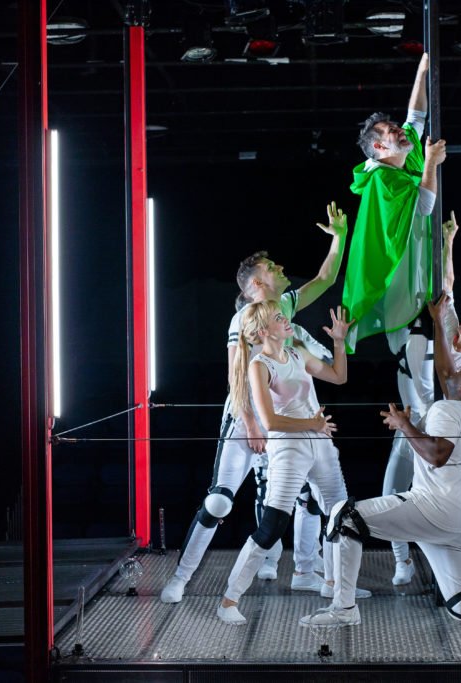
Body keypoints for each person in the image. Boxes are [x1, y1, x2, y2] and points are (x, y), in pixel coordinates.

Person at [299, 307, 461, 635]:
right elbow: (446, 369)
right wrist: (437, 322)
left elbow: (437, 454)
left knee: (344, 516)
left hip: (435, 509)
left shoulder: (447, 409)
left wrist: (406, 425)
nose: (453, 373)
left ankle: (343, 609)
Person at [161, 203, 348, 604]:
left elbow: (326, 277)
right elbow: (237, 374)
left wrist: (339, 237)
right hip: (249, 420)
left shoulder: (286, 311)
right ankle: (180, 578)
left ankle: (304, 570)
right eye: (273, 268)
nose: (281, 268)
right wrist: (250, 425)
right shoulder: (246, 316)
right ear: (256, 284)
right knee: (219, 500)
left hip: (284, 422)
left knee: (298, 498)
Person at [383, 213, 461, 586]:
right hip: (413, 423)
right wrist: (450, 239)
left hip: (445, 438)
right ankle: (401, 561)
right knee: (392, 490)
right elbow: (448, 283)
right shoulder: (453, 326)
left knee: (450, 502)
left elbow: (445, 381)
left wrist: (439, 325)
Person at [217, 303, 366, 625]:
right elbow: (270, 421)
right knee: (272, 526)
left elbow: (338, 377)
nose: (287, 321)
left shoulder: (297, 354)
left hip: (319, 443)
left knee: (342, 517)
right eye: (279, 318)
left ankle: (337, 591)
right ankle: (229, 600)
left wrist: (339, 341)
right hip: (288, 448)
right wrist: (311, 425)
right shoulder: (258, 365)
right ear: (262, 332)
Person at [342, 51, 445, 356]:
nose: (401, 131)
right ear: (379, 146)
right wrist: (431, 164)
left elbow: (415, 117)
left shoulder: (402, 157)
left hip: (412, 280)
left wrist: (422, 71)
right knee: (414, 356)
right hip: (395, 288)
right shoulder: (383, 181)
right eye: (392, 131)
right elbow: (424, 206)